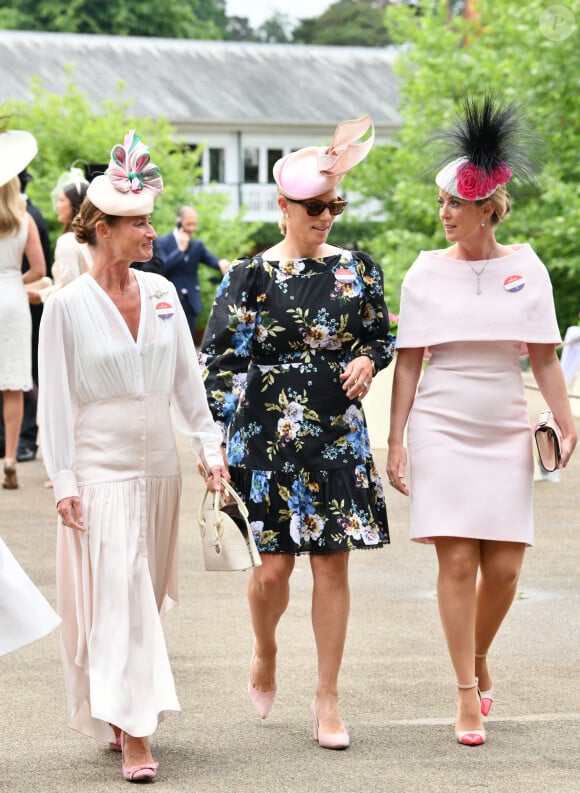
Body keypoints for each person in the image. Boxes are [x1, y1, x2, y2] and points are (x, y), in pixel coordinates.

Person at [38, 130, 228, 783]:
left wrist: (209, 446)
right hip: (99, 471)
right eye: (140, 222)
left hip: (159, 473)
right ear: (103, 228)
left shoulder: (165, 296)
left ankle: (119, 711)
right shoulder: (63, 308)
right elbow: (55, 403)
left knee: (135, 596)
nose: (153, 232)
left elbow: (187, 385)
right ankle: (140, 731)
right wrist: (61, 476)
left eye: (152, 220)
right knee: (118, 595)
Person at [387, 96, 577, 747]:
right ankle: (466, 695)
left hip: (503, 423)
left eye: (454, 203)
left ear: (488, 208)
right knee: (459, 557)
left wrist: (564, 415)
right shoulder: (421, 273)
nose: (443, 213)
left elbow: (546, 358)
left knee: (505, 570)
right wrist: (397, 440)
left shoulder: (527, 267)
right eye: (440, 201)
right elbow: (408, 364)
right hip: (440, 422)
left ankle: (474, 653)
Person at [200, 115, 393, 749]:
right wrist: (224, 441)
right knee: (273, 573)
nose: (327, 216)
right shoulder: (247, 276)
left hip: (336, 433)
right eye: (314, 206)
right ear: (283, 205)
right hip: (264, 435)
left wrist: (369, 359)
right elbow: (219, 362)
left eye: (334, 204)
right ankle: (264, 650)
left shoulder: (359, 270)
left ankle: (327, 699)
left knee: (332, 567)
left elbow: (378, 335)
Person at [0, 128, 46, 489]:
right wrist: (17, 279)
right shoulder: (23, 218)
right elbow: (40, 270)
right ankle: (12, 456)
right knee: (13, 384)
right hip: (14, 298)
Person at [157, 205, 230, 339]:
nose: (192, 228)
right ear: (178, 222)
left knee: (189, 343)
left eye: (194, 224)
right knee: (170, 343)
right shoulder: (162, 242)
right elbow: (162, 268)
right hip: (169, 301)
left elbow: (212, 260)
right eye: (188, 224)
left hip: (191, 304)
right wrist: (180, 250)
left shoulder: (197, 245)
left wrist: (221, 263)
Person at [27, 165, 92, 306]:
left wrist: (40, 295)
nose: (57, 205)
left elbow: (69, 287)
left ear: (75, 205)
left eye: (61, 200)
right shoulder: (93, 237)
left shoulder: (68, 241)